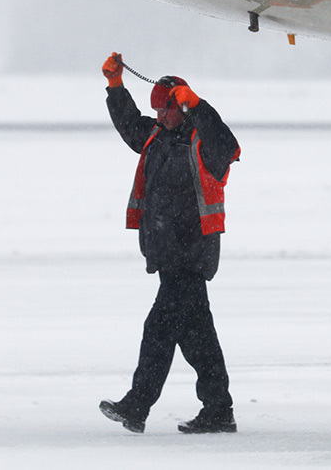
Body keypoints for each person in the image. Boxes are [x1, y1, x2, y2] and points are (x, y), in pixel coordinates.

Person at [97, 52, 241, 434]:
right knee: (198, 340)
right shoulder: (157, 139)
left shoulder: (204, 144)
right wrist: (115, 87)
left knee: (158, 331)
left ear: (182, 105)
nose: (159, 117)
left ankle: (137, 406)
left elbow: (227, 144)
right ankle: (218, 410)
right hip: (168, 258)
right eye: (156, 111)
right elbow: (129, 126)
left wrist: (199, 105)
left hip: (191, 258)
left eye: (166, 110)